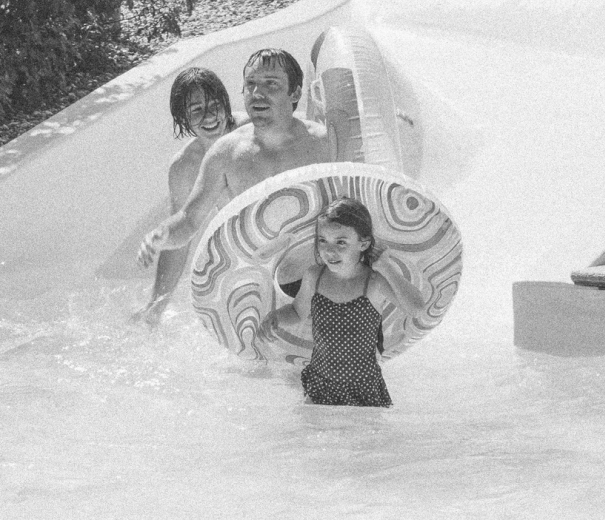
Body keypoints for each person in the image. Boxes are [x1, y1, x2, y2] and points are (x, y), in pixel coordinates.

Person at [137, 48, 330, 274]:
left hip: (318, 266)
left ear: (295, 93)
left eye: (270, 84)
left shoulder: (321, 141)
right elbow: (188, 221)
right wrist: (161, 235)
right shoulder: (222, 154)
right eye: (251, 84)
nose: (257, 93)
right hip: (258, 271)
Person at [258, 197, 426, 408]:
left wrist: (386, 267)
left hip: (363, 388)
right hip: (321, 383)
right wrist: (276, 317)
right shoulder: (314, 276)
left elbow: (417, 309)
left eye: (341, 242)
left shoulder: (373, 282)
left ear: (363, 244)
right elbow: (297, 311)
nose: (329, 250)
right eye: (322, 240)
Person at [132, 66, 244, 326]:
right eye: (197, 110)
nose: (210, 116)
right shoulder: (185, 167)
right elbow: (181, 238)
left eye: (215, 105)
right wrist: (156, 305)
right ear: (183, 118)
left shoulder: (251, 132)